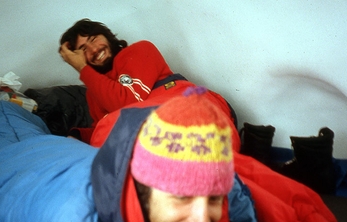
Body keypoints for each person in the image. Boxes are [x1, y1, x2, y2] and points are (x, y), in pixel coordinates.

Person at [91, 86, 347, 222]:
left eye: (214, 197)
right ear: (143, 190)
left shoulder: (235, 192)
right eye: (182, 195)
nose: (203, 221)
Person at [59, 19, 237, 145]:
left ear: (106, 35)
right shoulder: (94, 90)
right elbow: (102, 128)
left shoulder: (138, 50)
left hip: (192, 105)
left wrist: (82, 68)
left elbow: (128, 101)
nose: (94, 49)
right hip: (157, 130)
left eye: (94, 39)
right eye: (83, 50)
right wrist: (78, 135)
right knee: (105, 136)